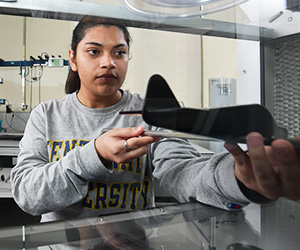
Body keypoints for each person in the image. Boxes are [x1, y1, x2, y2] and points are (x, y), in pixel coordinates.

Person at [11, 17, 300, 226]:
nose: (108, 62)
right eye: (94, 51)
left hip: (134, 244)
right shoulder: (46, 115)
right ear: (73, 59)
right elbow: (28, 195)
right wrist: (94, 154)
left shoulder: (148, 113)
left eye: (119, 52)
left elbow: (183, 170)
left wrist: (238, 178)